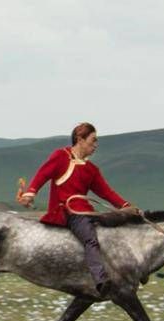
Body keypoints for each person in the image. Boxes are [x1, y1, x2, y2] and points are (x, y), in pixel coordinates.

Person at [18, 122, 139, 296]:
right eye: (93, 140)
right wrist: (30, 192)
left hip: (86, 211)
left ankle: (132, 270)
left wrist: (127, 207)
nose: (96, 145)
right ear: (80, 139)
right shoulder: (60, 156)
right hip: (67, 211)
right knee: (90, 239)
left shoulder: (91, 170)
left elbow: (107, 193)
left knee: (115, 226)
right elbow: (43, 174)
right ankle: (100, 280)